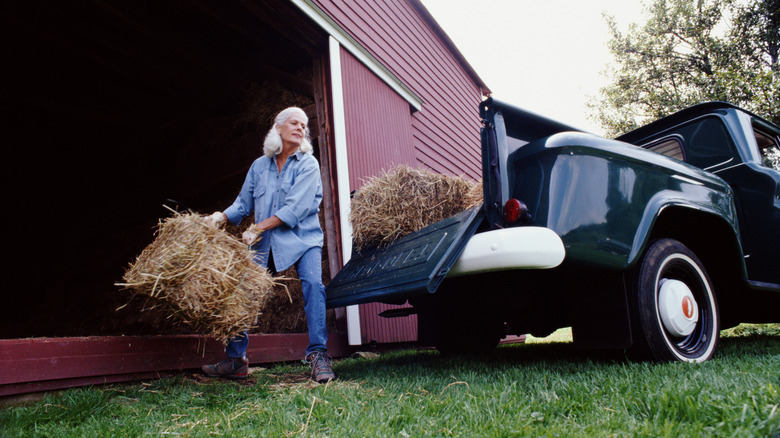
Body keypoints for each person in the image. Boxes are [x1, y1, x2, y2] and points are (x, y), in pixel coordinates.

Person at [201, 107, 334, 383]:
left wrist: (258, 227)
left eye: (304, 125)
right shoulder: (259, 166)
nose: (300, 128)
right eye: (294, 123)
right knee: (243, 292)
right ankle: (235, 360)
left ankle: (319, 355)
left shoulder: (308, 164)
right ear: (279, 128)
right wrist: (221, 217)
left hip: (303, 237)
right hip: (265, 243)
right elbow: (243, 204)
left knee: (313, 285)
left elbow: (295, 210)